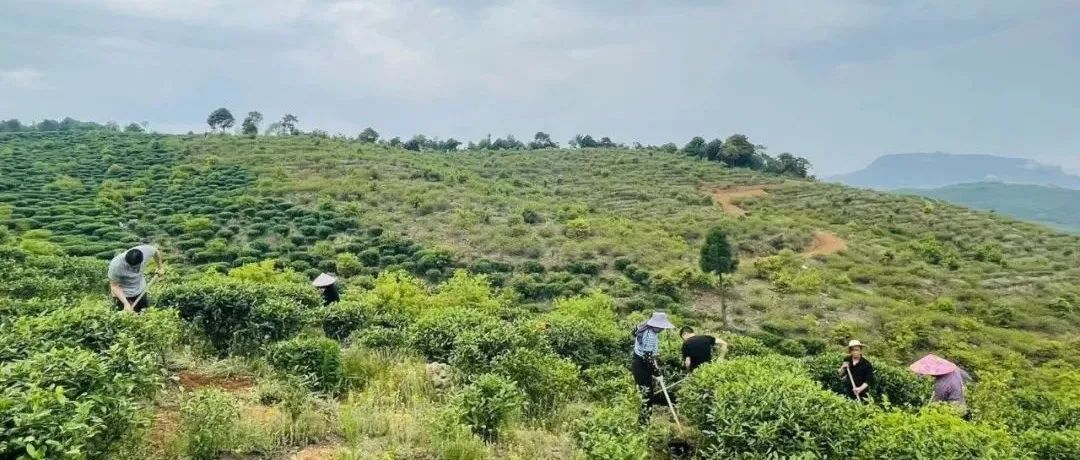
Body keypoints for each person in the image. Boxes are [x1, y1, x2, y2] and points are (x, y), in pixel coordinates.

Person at [630, 311, 675, 424]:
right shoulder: (650, 335)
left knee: (646, 393)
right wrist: (657, 373)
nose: (663, 329)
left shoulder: (643, 327)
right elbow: (647, 357)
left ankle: (644, 420)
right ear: (657, 325)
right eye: (662, 327)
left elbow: (649, 355)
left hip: (638, 362)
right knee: (647, 394)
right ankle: (644, 423)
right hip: (641, 364)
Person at [107, 244, 165, 313]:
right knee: (124, 319)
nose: (135, 269)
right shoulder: (116, 266)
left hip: (140, 291)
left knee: (144, 314)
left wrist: (160, 267)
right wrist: (126, 304)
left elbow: (156, 252)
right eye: (131, 267)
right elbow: (114, 286)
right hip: (123, 294)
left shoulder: (145, 250)